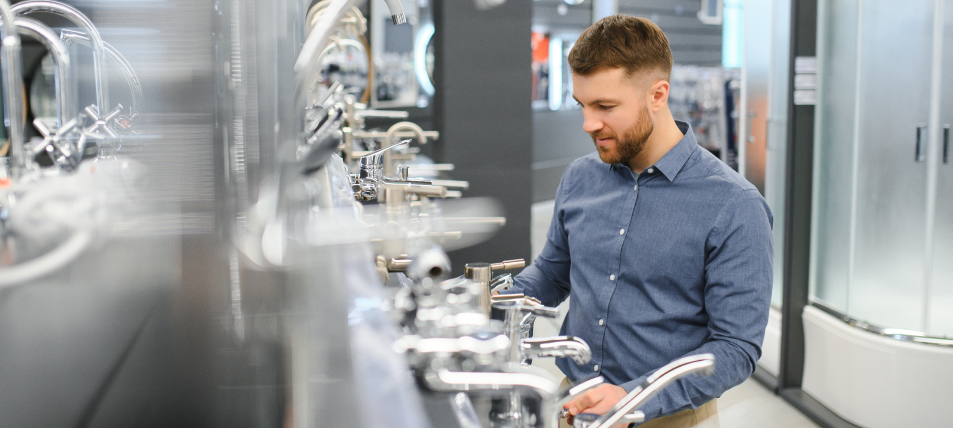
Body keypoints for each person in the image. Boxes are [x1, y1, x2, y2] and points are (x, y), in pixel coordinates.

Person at [504, 15, 773, 428]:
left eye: (605, 107)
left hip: (667, 415)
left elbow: (736, 347)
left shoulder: (734, 205)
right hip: (572, 405)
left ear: (658, 95)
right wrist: (491, 302)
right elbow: (552, 277)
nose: (588, 124)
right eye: (583, 105)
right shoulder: (580, 177)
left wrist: (634, 395)